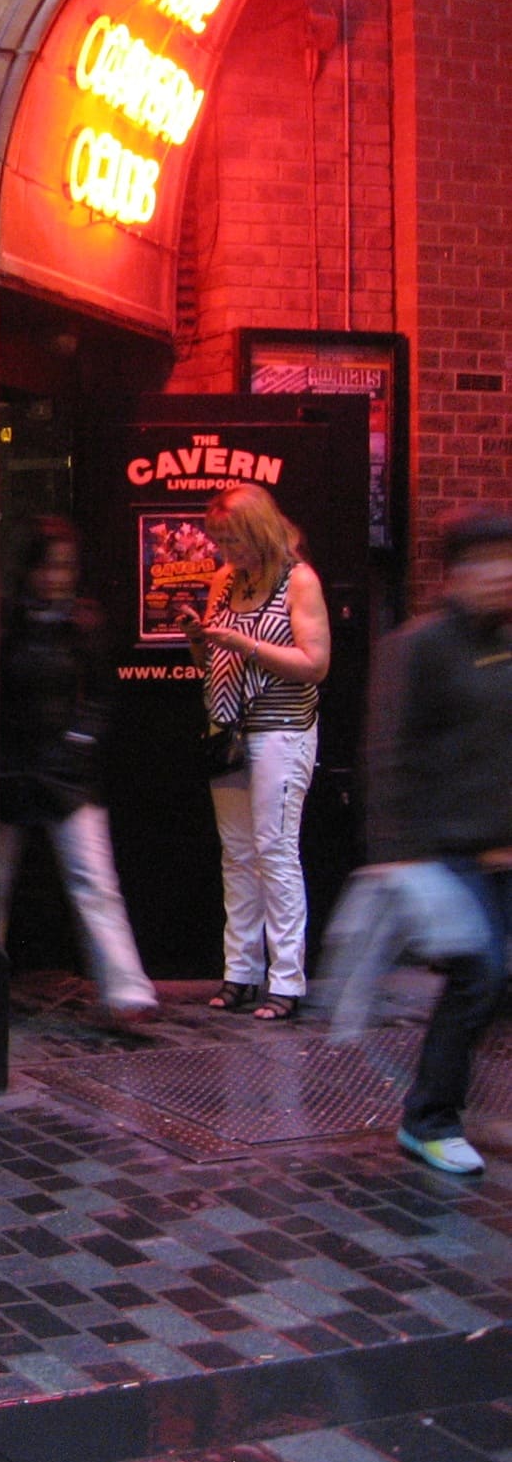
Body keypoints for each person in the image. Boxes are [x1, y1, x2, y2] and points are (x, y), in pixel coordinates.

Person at [364, 508, 512, 1174]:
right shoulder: (421, 645)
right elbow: (388, 753)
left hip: (502, 846)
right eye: (485, 561)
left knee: (492, 982)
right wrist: (397, 856)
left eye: (507, 560)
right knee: (480, 976)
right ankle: (428, 1120)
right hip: (444, 850)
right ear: (453, 572)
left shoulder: (506, 641)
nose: (500, 574)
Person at [0, 517, 159, 1023]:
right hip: (15, 766)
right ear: (30, 570)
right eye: (48, 567)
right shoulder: (10, 621)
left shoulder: (79, 623)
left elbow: (103, 695)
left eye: (64, 567)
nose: (56, 577)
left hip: (60, 769)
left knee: (93, 879)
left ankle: (127, 993)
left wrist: (77, 742)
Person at [181, 484, 331, 1021]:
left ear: (260, 532)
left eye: (234, 541)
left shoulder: (298, 580)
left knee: (275, 850)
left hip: (281, 730)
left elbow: (315, 665)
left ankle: (287, 978)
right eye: (219, 541)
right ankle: (240, 972)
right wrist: (199, 638)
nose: (226, 552)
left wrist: (244, 643)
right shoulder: (225, 580)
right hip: (228, 728)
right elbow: (209, 662)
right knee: (238, 854)